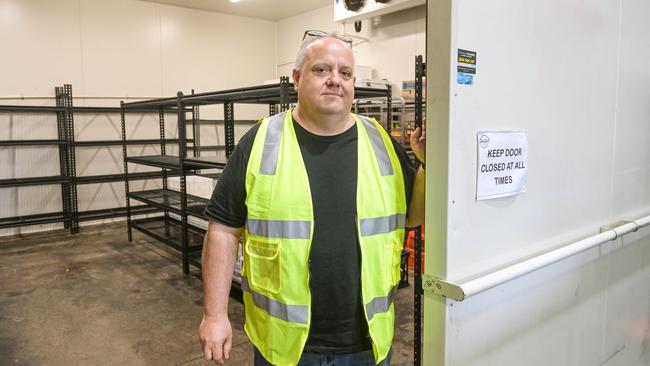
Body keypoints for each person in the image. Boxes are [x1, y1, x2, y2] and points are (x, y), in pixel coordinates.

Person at [198, 30, 425, 366]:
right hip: (284, 345)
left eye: (345, 73)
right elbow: (223, 230)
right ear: (296, 78)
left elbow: (412, 218)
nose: (335, 80)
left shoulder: (381, 142)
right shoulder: (261, 142)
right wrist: (214, 314)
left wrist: (427, 165)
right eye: (322, 70)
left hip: (367, 342)